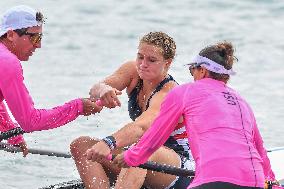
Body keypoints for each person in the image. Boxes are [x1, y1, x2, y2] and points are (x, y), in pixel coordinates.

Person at [112, 42, 276, 189]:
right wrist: (272, 182)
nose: (192, 75)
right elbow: (259, 149)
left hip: (212, 178)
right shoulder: (241, 101)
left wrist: (131, 156)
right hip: (254, 180)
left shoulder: (183, 92)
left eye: (192, 70)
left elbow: (155, 136)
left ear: (202, 71)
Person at [70, 31, 194, 189]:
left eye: (152, 60)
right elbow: (95, 89)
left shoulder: (168, 93)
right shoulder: (133, 70)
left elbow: (141, 128)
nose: (143, 64)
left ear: (167, 63)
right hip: (145, 158)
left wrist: (108, 143)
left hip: (180, 169)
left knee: (138, 152)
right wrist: (104, 90)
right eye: (140, 56)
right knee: (81, 145)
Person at [0, 5, 101, 156]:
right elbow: (30, 121)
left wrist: (12, 133)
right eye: (34, 37)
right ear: (10, 35)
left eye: (40, 38)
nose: (38, 45)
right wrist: (77, 107)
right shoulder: (7, 62)